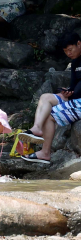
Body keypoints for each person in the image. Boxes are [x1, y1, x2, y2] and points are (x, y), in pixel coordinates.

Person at [25, 30, 81, 166]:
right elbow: (74, 86)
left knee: (50, 115)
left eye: (70, 49)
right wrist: (67, 92)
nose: (68, 54)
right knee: (45, 97)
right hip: (75, 98)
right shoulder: (75, 63)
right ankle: (36, 127)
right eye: (65, 51)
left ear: (79, 44)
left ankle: (45, 152)